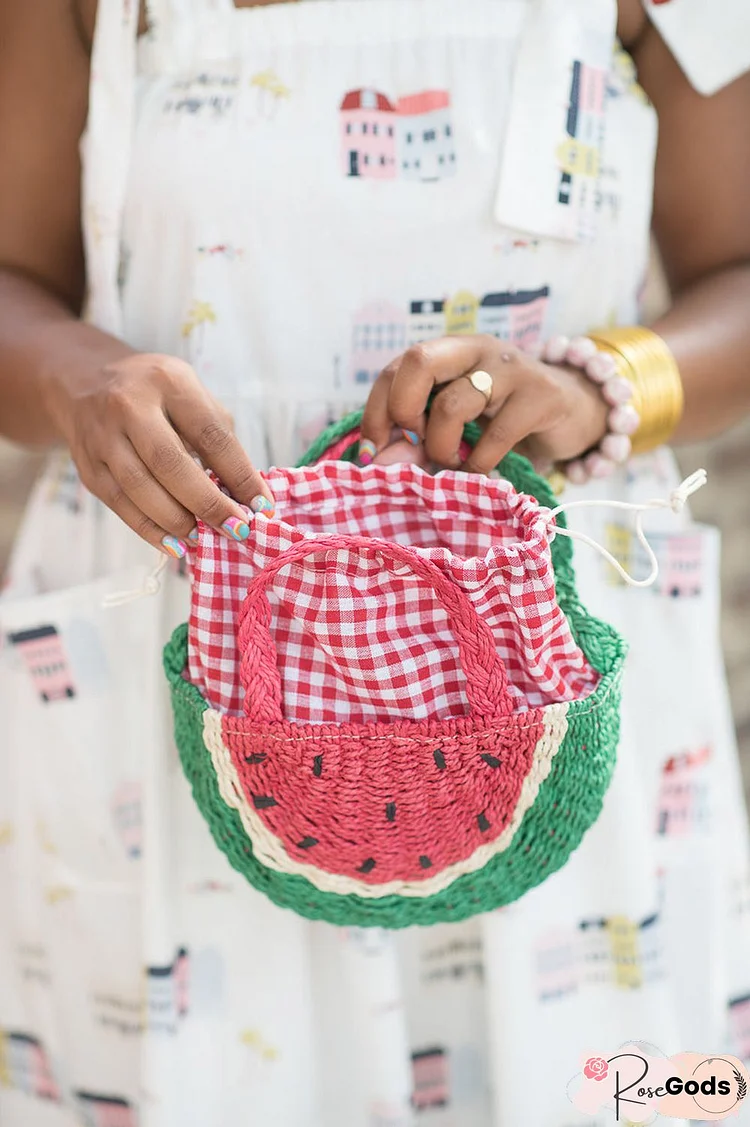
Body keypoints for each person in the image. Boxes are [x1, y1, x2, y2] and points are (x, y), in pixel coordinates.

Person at [1, 0, 749, 1124]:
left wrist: (607, 385)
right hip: (180, 663)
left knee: (621, 1088)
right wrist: (78, 380)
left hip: (540, 669)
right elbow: (15, 279)